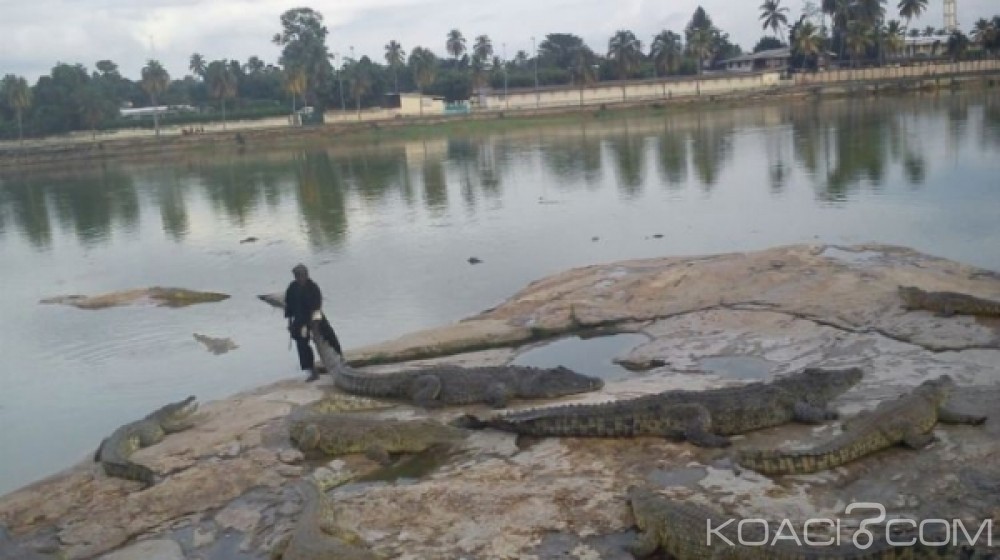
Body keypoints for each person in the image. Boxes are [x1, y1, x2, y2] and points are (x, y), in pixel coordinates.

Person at [284, 264, 343, 382]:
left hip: (316, 318)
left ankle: (340, 360)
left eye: (301, 275)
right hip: (300, 321)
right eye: (297, 276)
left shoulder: (313, 288)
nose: (299, 278)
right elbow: (289, 307)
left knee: (330, 337)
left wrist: (314, 327)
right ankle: (312, 370)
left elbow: (317, 308)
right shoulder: (292, 288)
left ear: (306, 275)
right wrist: (290, 324)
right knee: (302, 344)